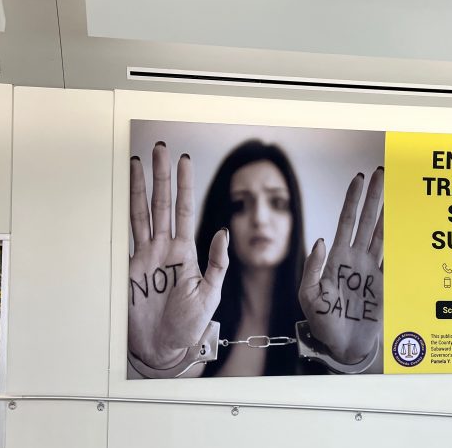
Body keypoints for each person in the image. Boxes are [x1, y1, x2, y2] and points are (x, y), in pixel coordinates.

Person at [127, 140, 383, 377]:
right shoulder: (191, 325)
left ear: (295, 218)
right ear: (223, 217)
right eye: (240, 204)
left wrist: (350, 355)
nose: (259, 217)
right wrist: (162, 357)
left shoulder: (324, 323)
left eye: (278, 202)